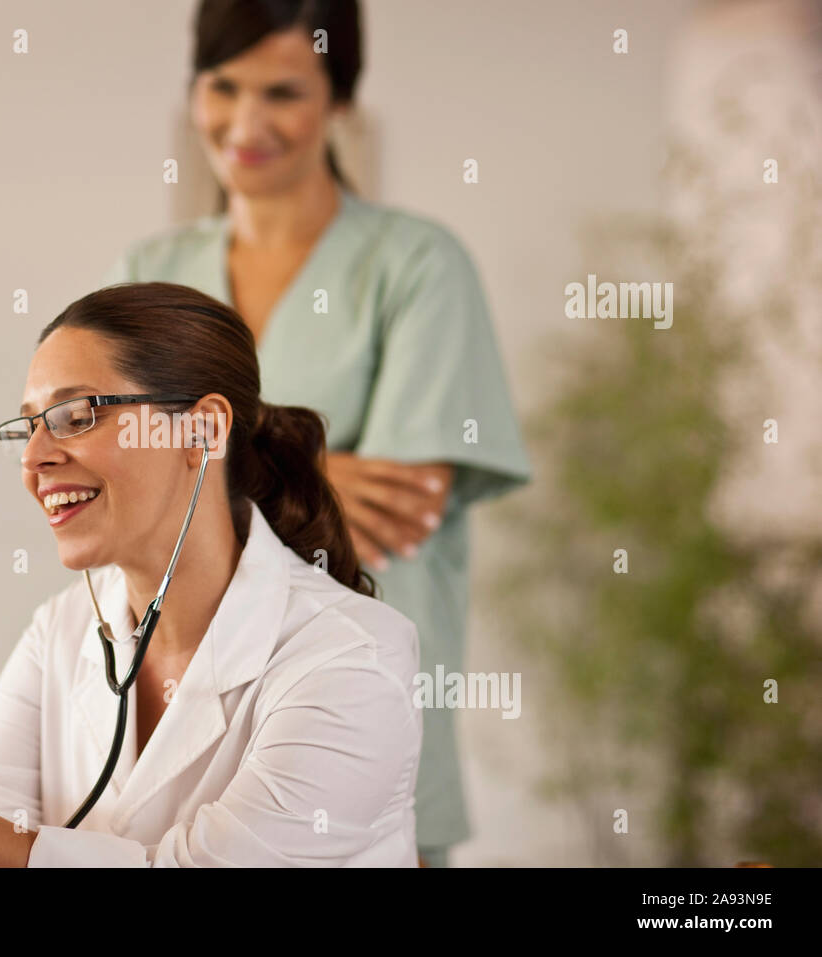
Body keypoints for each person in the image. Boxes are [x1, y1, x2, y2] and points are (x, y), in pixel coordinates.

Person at [100, 0, 532, 866]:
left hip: (353, 710)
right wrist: (323, 468)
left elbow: (395, 513)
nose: (246, 123)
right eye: (223, 86)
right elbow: (116, 484)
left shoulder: (418, 266)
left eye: (285, 92)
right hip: (175, 709)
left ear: (340, 102)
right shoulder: (151, 271)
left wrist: (187, 464)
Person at [0, 281, 421, 867]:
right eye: (28, 426)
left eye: (75, 415)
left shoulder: (350, 656)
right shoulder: (60, 629)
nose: (34, 458)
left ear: (203, 431)